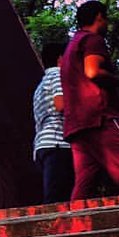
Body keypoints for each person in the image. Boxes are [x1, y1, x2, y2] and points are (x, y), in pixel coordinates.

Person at [60, 0, 119, 200]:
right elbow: (92, 71)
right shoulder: (92, 40)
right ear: (99, 17)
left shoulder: (71, 48)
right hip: (99, 118)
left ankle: (75, 219)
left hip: (77, 125)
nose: (107, 24)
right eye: (106, 19)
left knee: (85, 183)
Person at [32, 40, 73, 203]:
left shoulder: (41, 85)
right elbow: (61, 104)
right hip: (57, 142)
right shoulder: (58, 75)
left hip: (43, 143)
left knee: (55, 193)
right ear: (60, 58)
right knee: (59, 197)